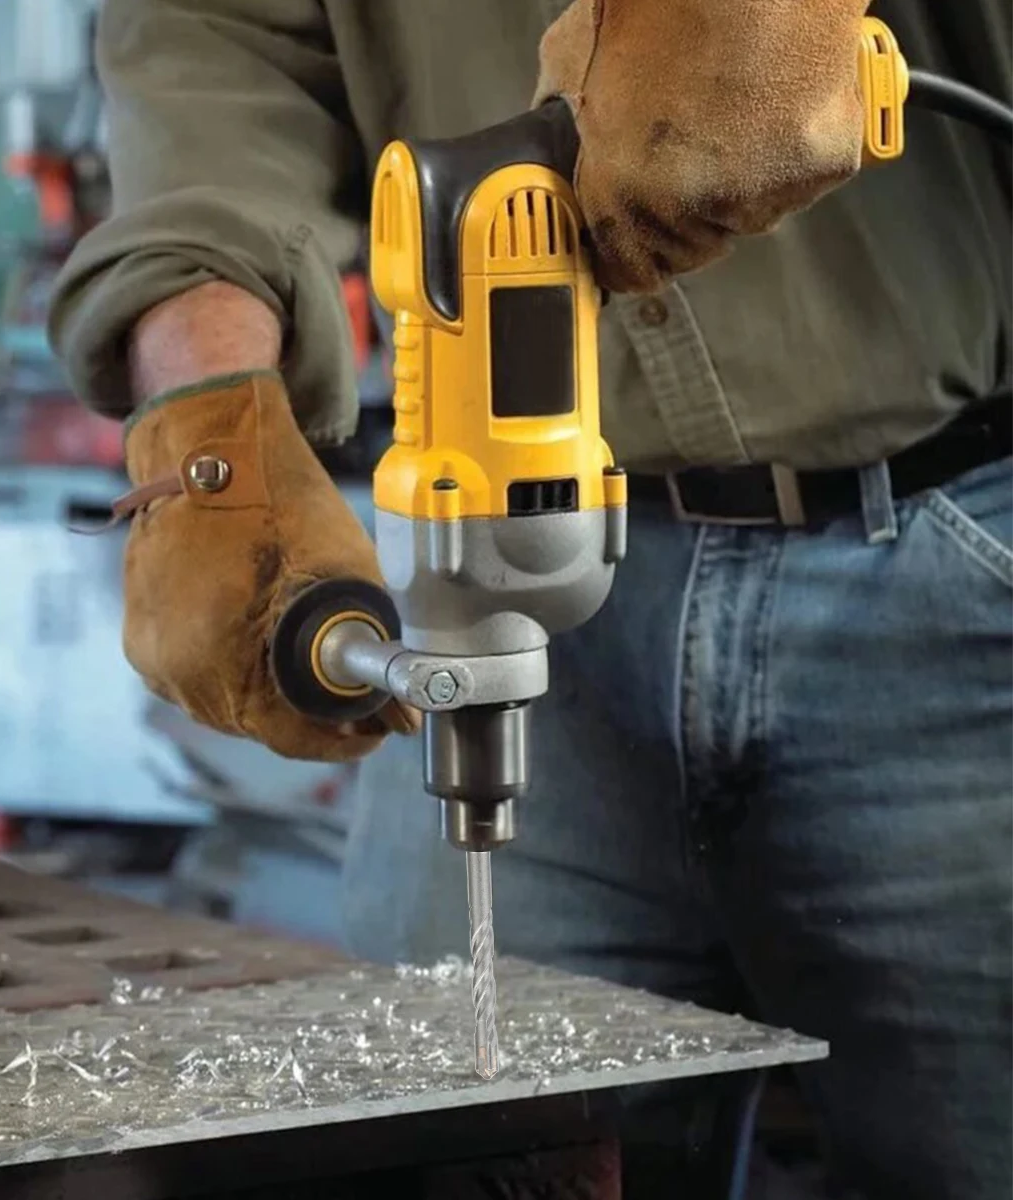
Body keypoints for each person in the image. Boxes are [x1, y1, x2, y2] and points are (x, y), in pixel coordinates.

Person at [49, 2, 1012, 1196]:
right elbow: (217, 31)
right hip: (496, 574)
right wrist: (205, 410)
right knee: (453, 1144)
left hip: (944, 557)